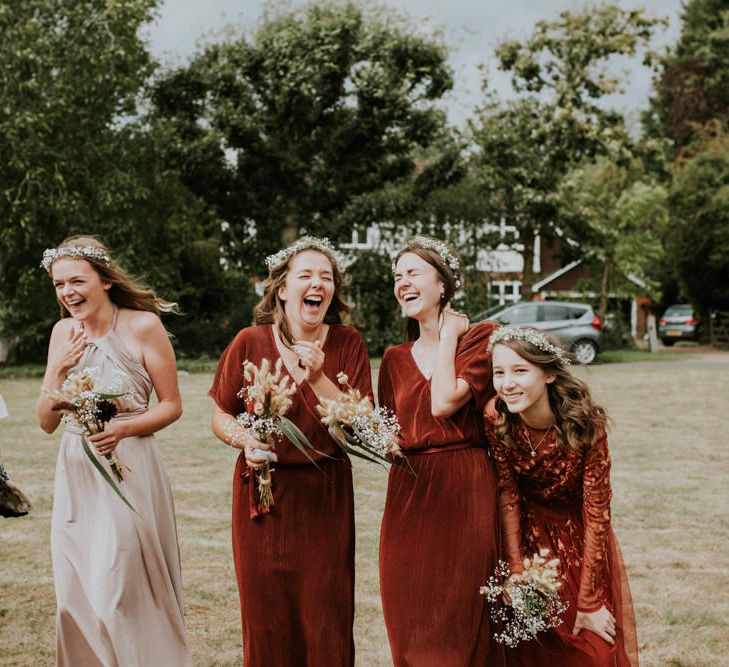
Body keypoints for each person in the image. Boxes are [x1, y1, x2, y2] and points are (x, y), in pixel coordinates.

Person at [209, 236, 372, 666]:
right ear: (283, 289)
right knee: (266, 618)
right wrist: (245, 441)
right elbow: (219, 415)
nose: (317, 283)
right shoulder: (249, 341)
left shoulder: (348, 343)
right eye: (306, 275)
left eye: (326, 277)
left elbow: (360, 422)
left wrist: (319, 376)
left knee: (325, 616)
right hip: (263, 500)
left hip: (325, 497)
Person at [36, 236, 191, 667]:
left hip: (130, 468)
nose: (67, 292)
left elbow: (172, 405)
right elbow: (46, 421)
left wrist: (124, 429)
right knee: (77, 594)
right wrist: (58, 368)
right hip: (77, 474)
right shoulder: (62, 333)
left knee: (119, 590)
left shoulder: (144, 326)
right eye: (58, 284)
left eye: (76, 281)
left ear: (104, 280)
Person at [377, 236, 502, 666]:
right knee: (408, 604)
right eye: (397, 277)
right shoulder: (393, 359)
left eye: (412, 272)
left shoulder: (482, 339)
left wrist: (448, 335)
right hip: (409, 493)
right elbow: (388, 432)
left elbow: (443, 403)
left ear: (443, 285)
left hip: (466, 485)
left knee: (464, 608)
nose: (402, 283)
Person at [484, 325, 638, 667]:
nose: (507, 383)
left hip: (578, 541)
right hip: (522, 538)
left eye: (520, 370)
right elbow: (507, 493)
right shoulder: (496, 417)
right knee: (530, 646)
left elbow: (597, 512)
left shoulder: (586, 427)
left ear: (549, 373)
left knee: (593, 650)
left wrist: (589, 602)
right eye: (499, 372)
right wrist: (516, 570)